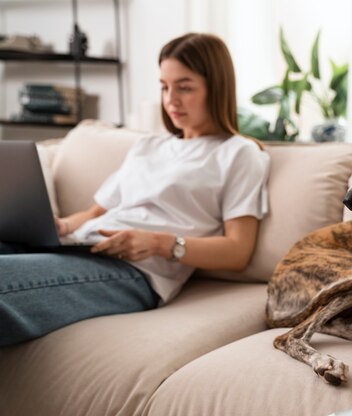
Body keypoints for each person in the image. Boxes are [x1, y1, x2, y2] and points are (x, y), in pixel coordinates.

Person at [0, 33, 270, 347]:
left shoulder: (239, 154)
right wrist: (60, 226)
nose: (171, 100)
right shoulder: (149, 146)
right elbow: (93, 213)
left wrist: (157, 243)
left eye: (184, 87)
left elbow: (238, 250)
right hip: (80, 246)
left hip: (134, 273)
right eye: (165, 87)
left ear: (217, 86)